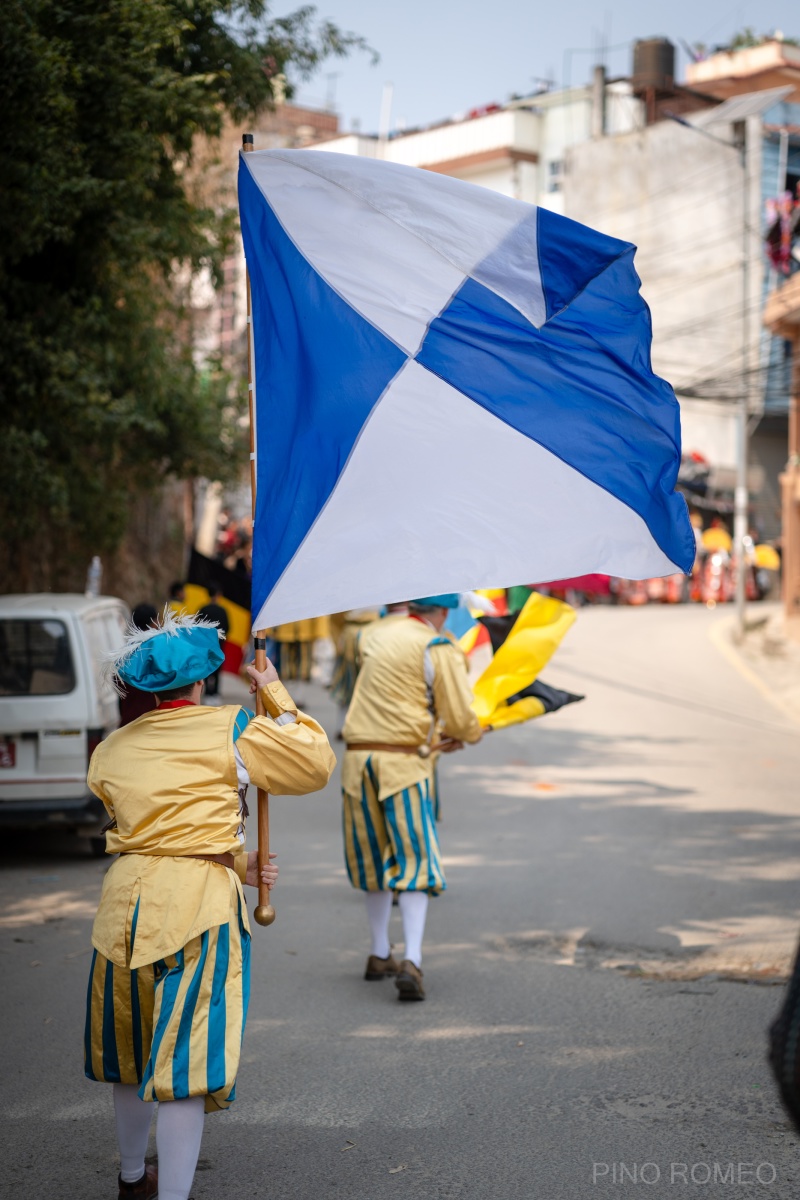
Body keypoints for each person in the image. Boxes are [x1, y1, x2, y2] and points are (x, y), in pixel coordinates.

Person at [83, 610, 335, 1200]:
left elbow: (147, 832)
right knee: (185, 1066)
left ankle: (129, 1178)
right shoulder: (231, 728)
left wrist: (234, 862)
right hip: (198, 910)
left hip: (122, 906)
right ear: (202, 680)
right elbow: (313, 761)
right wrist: (272, 687)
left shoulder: (111, 748)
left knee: (129, 1047)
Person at [341, 594, 482, 1001]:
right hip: (404, 764)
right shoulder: (436, 645)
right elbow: (459, 716)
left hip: (357, 760)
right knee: (414, 858)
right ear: (441, 613)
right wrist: (470, 732)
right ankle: (413, 958)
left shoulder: (370, 635)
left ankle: (379, 951)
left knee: (371, 856)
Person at [117, 604, 158, 726]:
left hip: (129, 723)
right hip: (150, 723)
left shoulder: (124, 653)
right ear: (152, 624)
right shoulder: (157, 653)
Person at [197, 584, 230, 699]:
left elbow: (198, 627)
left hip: (205, 644)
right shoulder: (222, 611)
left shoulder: (203, 609)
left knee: (206, 666)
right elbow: (228, 627)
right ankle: (215, 692)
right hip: (218, 644)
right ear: (218, 595)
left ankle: (205, 691)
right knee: (218, 666)